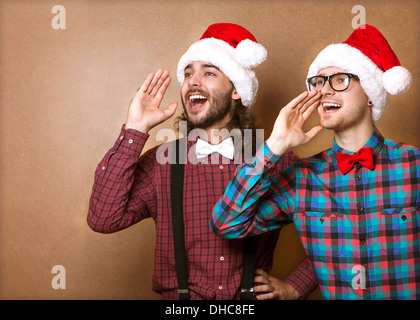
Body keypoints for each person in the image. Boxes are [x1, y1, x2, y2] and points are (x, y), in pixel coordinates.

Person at [88, 23, 318, 300]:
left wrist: (295, 287)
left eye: (208, 72)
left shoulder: (276, 159)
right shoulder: (163, 161)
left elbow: (337, 229)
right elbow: (103, 219)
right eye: (187, 74)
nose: (192, 81)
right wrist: (135, 129)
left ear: (236, 90)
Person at [211, 24, 419, 299]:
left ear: (370, 93)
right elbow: (226, 223)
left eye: (339, 80)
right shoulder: (302, 177)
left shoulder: (414, 165)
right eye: (318, 82)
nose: (324, 91)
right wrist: (274, 146)